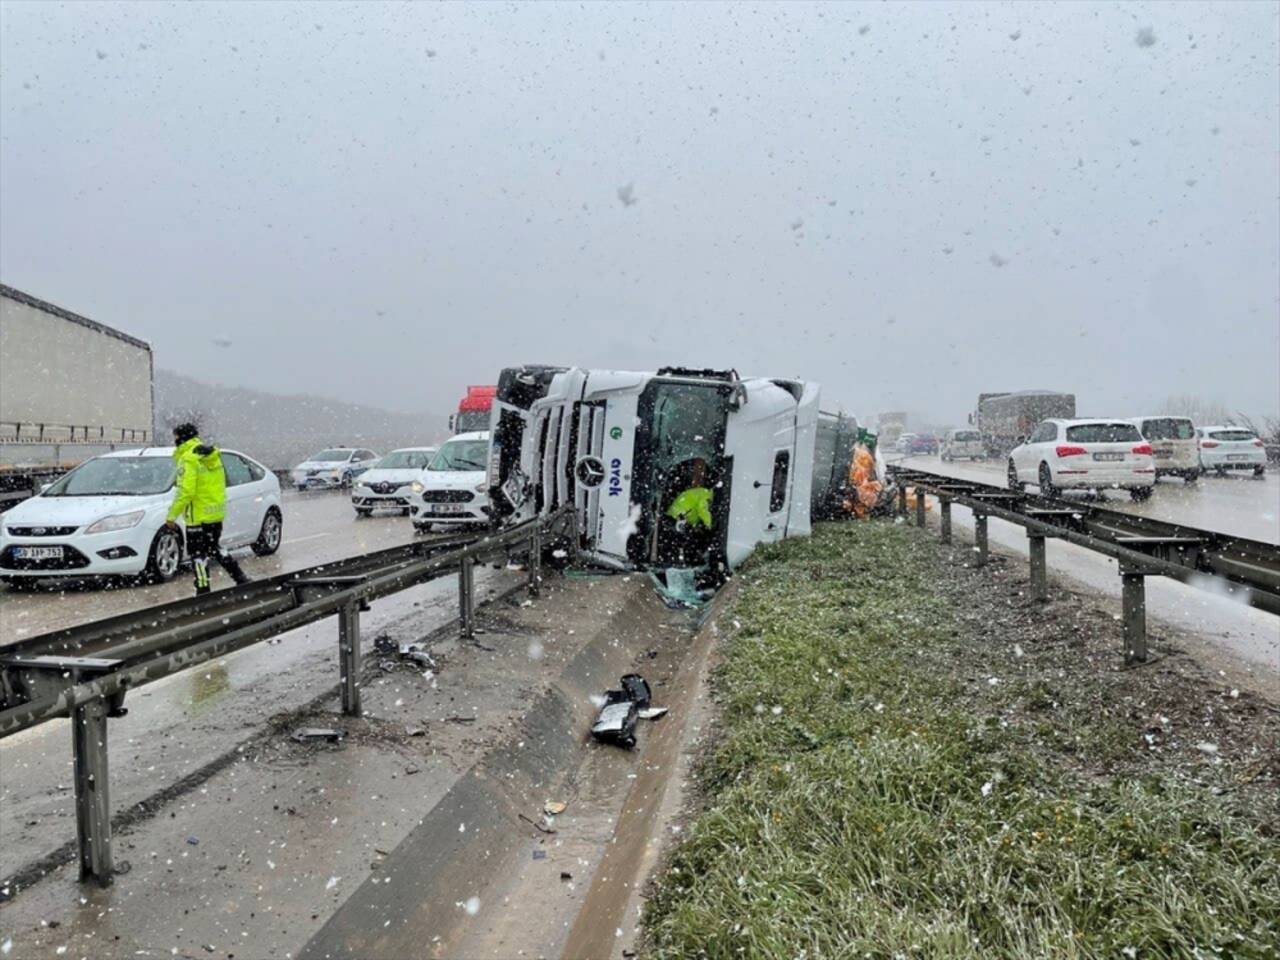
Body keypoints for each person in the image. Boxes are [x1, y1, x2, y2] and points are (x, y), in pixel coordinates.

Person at [165, 423, 250, 595]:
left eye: (175, 437)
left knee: (198, 555)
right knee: (214, 548)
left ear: (181, 437)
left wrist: (172, 516)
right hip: (215, 513)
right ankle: (240, 577)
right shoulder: (211, 455)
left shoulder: (189, 458)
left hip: (197, 515)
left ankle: (203, 589)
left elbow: (186, 491)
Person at [663, 457, 714, 564]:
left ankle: (684, 560)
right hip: (678, 515)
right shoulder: (706, 495)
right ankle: (691, 561)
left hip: (676, 514)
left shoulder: (702, 492)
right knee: (688, 539)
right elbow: (702, 509)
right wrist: (709, 524)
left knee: (681, 539)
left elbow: (696, 514)